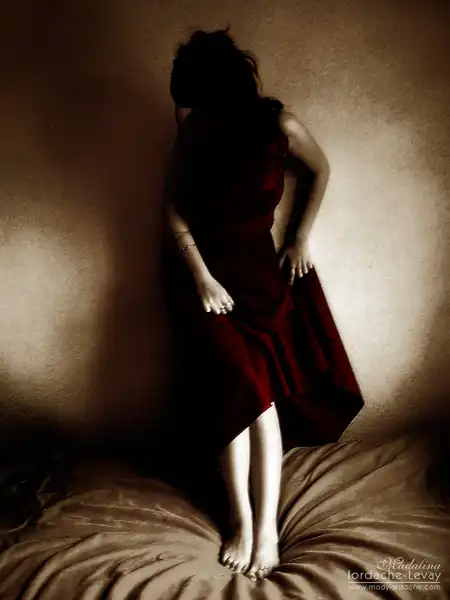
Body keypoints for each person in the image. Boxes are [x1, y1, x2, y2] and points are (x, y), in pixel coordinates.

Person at [161, 27, 364, 581]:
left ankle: (268, 528)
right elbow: (172, 208)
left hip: (260, 281)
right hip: (205, 283)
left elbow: (321, 170)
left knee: (263, 399)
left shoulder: (280, 126)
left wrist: (300, 237)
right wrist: (202, 279)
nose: (190, 105)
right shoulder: (194, 129)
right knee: (241, 393)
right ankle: (242, 521)